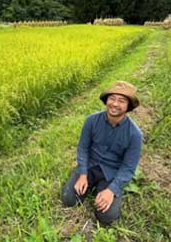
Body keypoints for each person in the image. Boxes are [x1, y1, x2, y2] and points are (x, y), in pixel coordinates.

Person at [61, 81, 143, 224]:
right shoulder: (91, 121)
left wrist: (111, 190)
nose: (115, 104)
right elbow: (83, 148)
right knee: (69, 199)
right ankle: (88, 184)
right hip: (90, 166)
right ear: (106, 100)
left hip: (111, 174)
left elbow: (128, 168)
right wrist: (82, 174)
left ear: (128, 106)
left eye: (121, 101)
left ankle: (103, 190)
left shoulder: (134, 134)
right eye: (112, 98)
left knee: (107, 217)